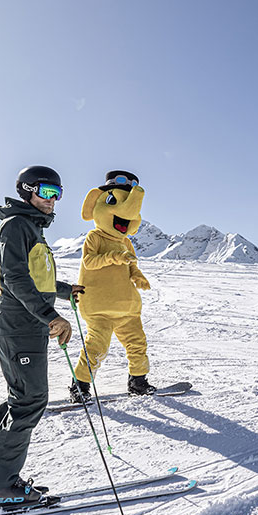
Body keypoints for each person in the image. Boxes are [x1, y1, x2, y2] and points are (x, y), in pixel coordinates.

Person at [0, 165, 83, 515]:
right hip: (19, 325)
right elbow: (16, 279)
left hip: (27, 326)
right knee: (29, 402)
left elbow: (37, 278)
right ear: (27, 191)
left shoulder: (31, 229)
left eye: (58, 193)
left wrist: (65, 291)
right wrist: (51, 315)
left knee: (18, 402)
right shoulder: (17, 226)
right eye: (47, 192)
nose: (53, 200)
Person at [70, 170, 157, 401]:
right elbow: (89, 262)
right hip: (100, 307)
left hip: (127, 307)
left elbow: (131, 265)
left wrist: (138, 276)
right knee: (96, 347)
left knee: (137, 344)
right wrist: (114, 257)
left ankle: (138, 382)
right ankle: (80, 386)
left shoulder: (126, 242)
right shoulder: (95, 237)